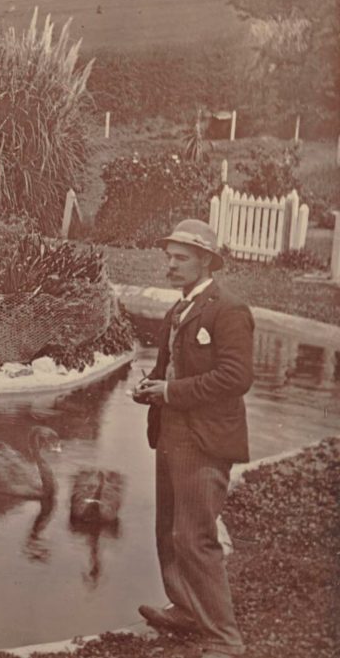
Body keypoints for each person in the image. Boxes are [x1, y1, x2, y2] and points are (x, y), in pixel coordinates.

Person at [133, 218, 252, 657]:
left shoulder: (228, 309)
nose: (171, 264)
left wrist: (171, 392)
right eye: (168, 256)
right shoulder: (178, 310)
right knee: (168, 531)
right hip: (171, 433)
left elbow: (236, 377)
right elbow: (167, 369)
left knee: (196, 536)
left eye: (181, 257)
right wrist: (150, 386)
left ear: (205, 260)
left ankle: (224, 639)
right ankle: (186, 608)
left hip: (205, 440)